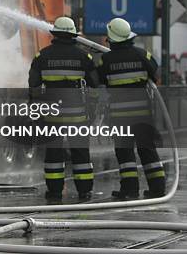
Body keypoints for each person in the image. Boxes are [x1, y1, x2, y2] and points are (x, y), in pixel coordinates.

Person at [28, 16, 99, 201]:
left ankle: (54, 192)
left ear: (55, 34)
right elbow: (94, 84)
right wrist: (92, 108)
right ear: (73, 35)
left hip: (52, 116)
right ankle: (85, 191)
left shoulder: (42, 56)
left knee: (53, 156)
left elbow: (33, 85)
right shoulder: (84, 56)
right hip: (77, 116)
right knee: (81, 154)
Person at [97, 17, 165, 199]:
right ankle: (158, 189)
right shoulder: (144, 55)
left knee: (125, 154)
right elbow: (156, 74)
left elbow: (98, 80)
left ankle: (130, 191)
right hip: (143, 116)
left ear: (111, 38)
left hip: (120, 118)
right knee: (148, 151)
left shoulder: (106, 60)